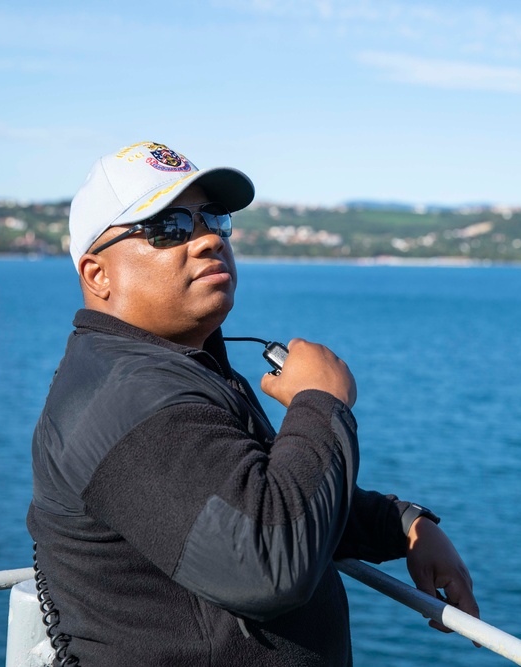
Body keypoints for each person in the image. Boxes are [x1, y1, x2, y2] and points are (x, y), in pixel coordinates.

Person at [27, 141, 478, 666]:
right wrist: (320, 401)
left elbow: (255, 495)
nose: (206, 241)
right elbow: (268, 561)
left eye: (214, 220)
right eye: (170, 227)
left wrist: (403, 525)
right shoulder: (130, 401)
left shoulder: (172, 368)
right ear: (97, 275)